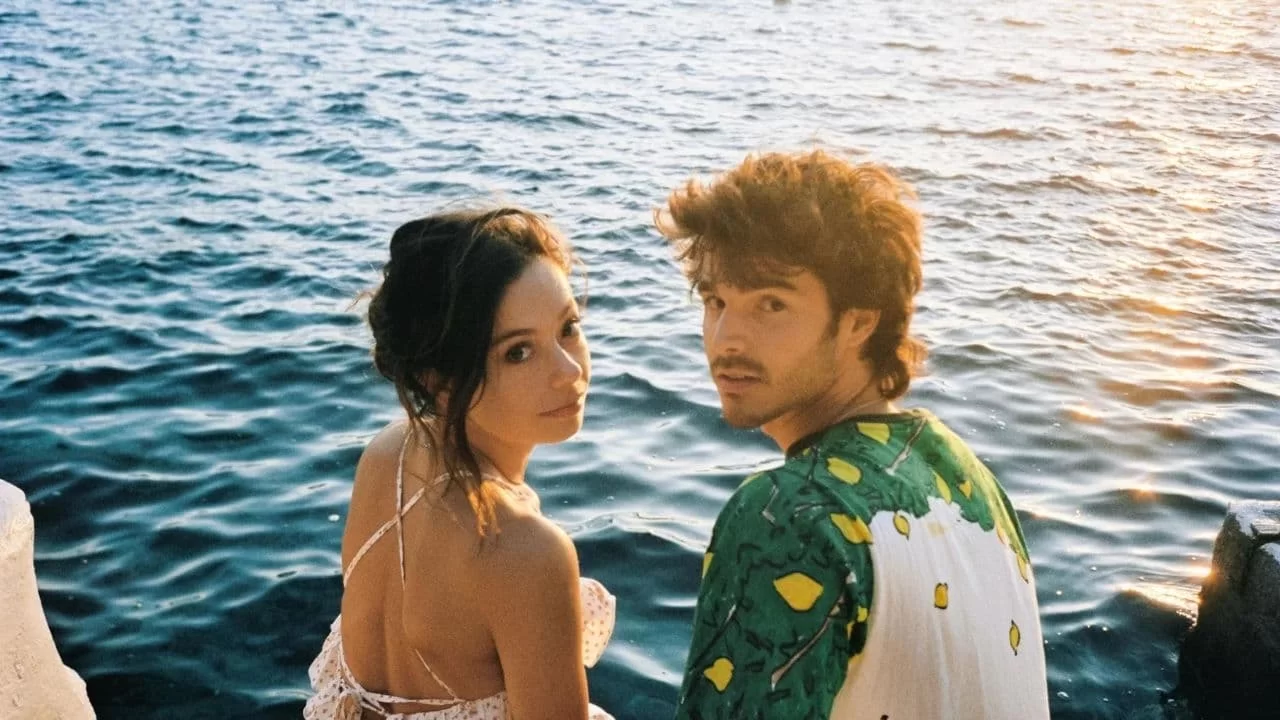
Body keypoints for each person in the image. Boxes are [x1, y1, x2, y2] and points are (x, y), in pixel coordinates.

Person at [656, 150, 1050, 719]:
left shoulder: (787, 515)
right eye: (715, 300)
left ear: (859, 322)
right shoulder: (968, 479)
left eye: (771, 303)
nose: (726, 337)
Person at [305, 207, 615, 720]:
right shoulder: (526, 553)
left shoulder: (386, 455)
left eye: (568, 327)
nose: (569, 370)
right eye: (518, 352)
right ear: (439, 379)